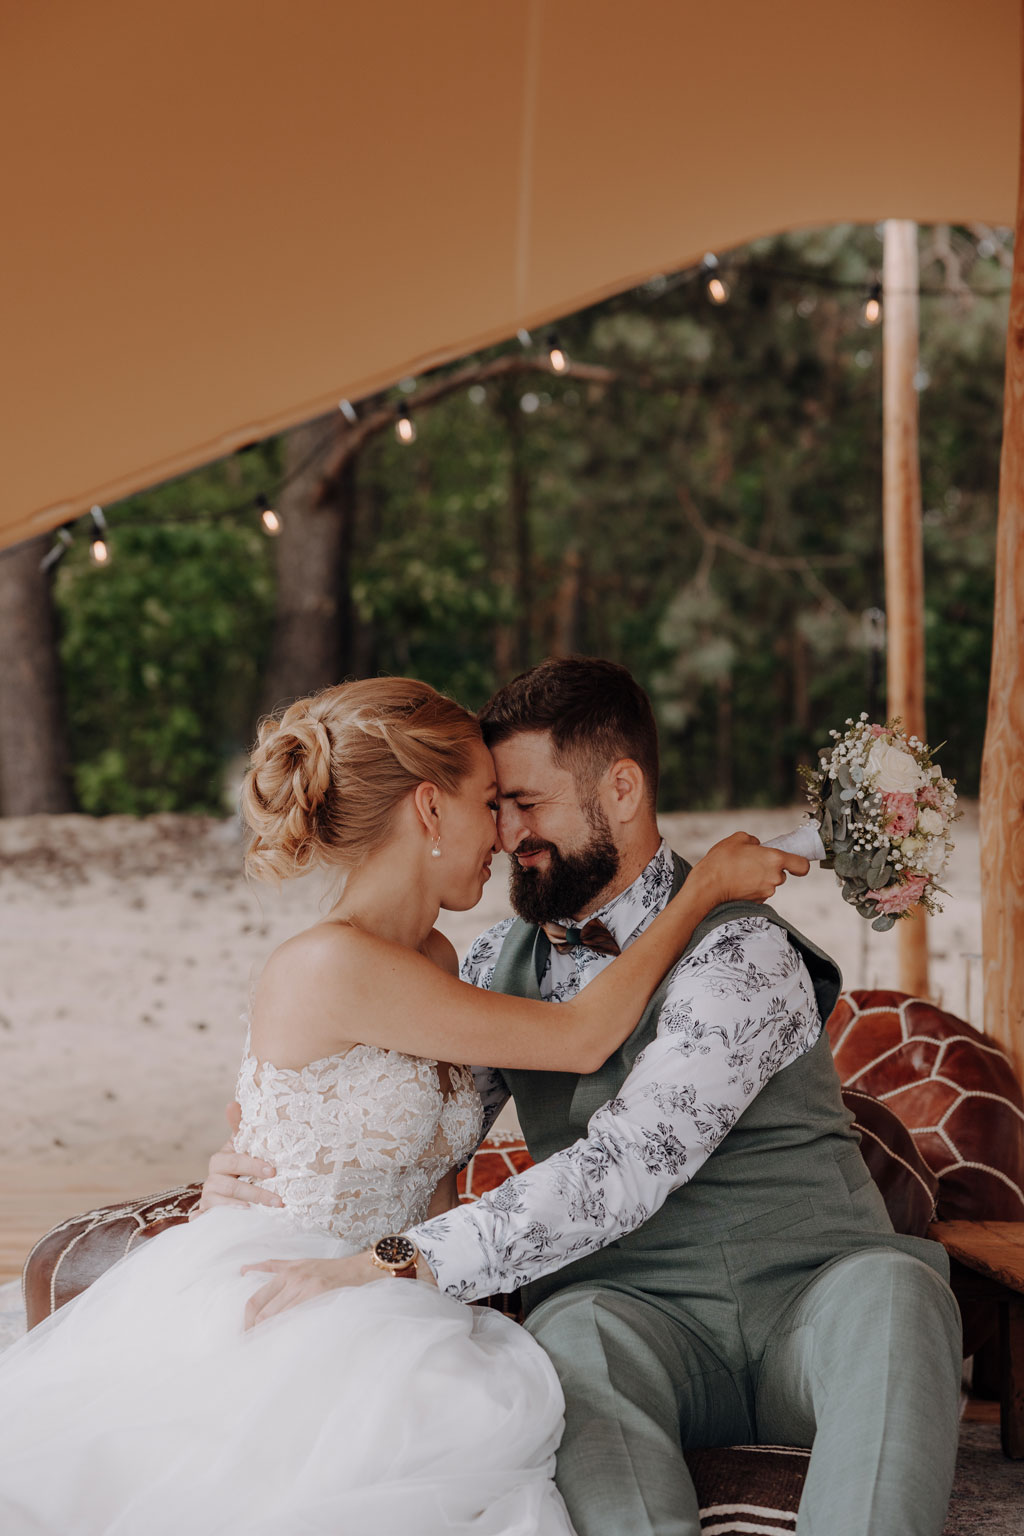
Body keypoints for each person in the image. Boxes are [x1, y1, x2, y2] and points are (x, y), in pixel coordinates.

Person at [0, 675, 796, 1536]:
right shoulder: (333, 965)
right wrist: (704, 888)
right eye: (489, 802)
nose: (503, 834)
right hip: (309, 1293)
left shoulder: (439, 956)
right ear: (429, 810)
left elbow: (425, 1146)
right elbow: (578, 1038)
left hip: (398, 1287)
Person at [204, 657, 963, 1536]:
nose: (505, 833)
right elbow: (392, 1121)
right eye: (495, 805)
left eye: (528, 803)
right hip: (641, 1328)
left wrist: (395, 1257)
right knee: (571, 1333)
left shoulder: (743, 953)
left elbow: (625, 1167)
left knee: (899, 1296)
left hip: (813, 1304)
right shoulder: (487, 969)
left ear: (623, 789)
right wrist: (254, 1169)